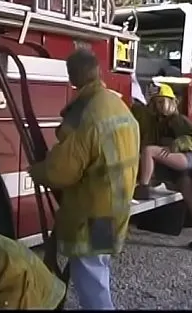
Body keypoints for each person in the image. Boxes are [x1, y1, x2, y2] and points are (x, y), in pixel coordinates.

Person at [28, 48, 140, 310]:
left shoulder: (85, 114)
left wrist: (38, 171)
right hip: (115, 207)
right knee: (98, 266)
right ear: (98, 71)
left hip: (93, 212)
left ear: (73, 77)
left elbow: (61, 171)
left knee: (90, 276)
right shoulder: (115, 104)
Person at [131, 81, 192, 252]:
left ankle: (144, 188)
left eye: (162, 101)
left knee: (149, 151)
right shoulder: (158, 122)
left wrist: (176, 144)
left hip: (186, 159)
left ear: (172, 101)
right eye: (156, 102)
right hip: (179, 167)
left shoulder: (179, 120)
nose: (159, 106)